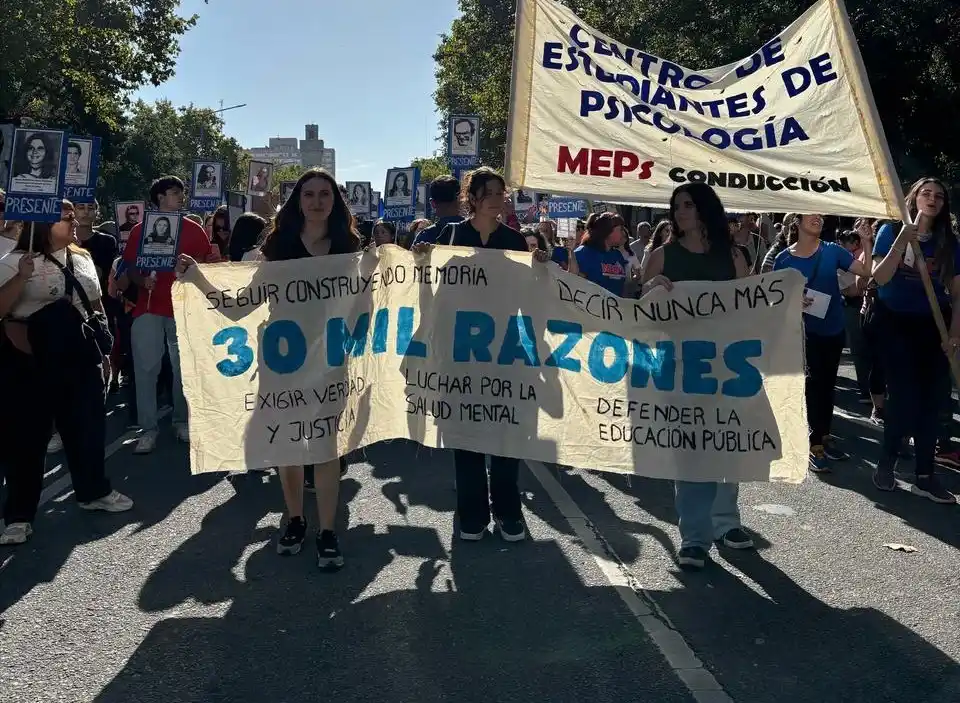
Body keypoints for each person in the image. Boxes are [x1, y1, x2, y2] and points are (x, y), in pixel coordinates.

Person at [178, 167, 358, 568]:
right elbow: (240, 306)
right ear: (298, 202)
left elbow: (374, 301)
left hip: (330, 360)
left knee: (328, 445)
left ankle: (327, 531)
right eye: (308, 194)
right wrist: (198, 279)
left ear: (335, 201)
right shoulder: (277, 251)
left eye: (324, 194)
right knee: (289, 444)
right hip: (283, 360)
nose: (316, 202)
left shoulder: (350, 250)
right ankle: (295, 519)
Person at [425, 167, 549, 543]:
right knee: (465, 434)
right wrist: (419, 259)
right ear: (473, 197)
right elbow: (434, 287)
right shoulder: (451, 236)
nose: (498, 198)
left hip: (503, 351)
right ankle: (472, 513)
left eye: (501, 192)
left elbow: (526, 294)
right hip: (461, 351)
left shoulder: (513, 240)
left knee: (506, 432)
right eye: (490, 192)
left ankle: (509, 512)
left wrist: (539, 269)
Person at [0, 202, 133, 545]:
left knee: (87, 427)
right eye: (67, 217)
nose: (76, 221)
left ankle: (93, 492)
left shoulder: (84, 257)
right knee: (27, 439)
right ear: (43, 222)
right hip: (30, 360)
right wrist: (21, 278)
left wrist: (105, 354)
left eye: (75, 216)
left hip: (79, 356)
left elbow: (95, 303)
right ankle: (18, 515)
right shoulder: (15, 261)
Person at [642, 183, 751, 570]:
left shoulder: (733, 256)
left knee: (725, 440)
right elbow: (640, 315)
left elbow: (748, 307)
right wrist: (651, 289)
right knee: (691, 448)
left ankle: (727, 524)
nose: (680, 212)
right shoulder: (660, 256)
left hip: (725, 366)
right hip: (681, 369)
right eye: (676, 206)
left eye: (688, 205)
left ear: (706, 209)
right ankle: (693, 536)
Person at [870, 177, 960, 503]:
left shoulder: (948, 242)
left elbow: (958, 295)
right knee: (904, 397)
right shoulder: (892, 231)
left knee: (932, 401)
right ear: (914, 198)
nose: (932, 199)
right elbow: (878, 277)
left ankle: (925, 475)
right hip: (894, 322)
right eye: (926, 193)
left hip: (933, 325)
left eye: (939, 195)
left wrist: (953, 335)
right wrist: (901, 243)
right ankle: (886, 463)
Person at [121, 176, 219, 454]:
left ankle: (181, 421)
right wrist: (142, 282)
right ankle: (147, 429)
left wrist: (193, 268)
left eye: (181, 193)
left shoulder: (194, 229)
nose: (180, 197)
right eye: (175, 193)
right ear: (160, 197)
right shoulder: (141, 230)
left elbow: (209, 265)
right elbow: (129, 267)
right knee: (146, 369)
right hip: (149, 307)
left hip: (183, 308)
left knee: (183, 369)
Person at [773, 214, 872, 472]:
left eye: (819, 215)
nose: (817, 218)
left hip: (834, 329)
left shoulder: (833, 251)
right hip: (804, 331)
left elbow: (865, 271)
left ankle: (824, 437)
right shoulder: (784, 259)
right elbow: (776, 299)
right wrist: (793, 301)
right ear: (797, 222)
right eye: (811, 215)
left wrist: (867, 242)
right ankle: (812, 444)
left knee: (828, 386)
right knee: (812, 385)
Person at [571, 212, 636, 296]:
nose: (623, 233)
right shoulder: (582, 253)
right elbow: (573, 284)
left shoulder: (617, 255)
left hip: (615, 307)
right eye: (620, 229)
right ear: (608, 231)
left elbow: (622, 287)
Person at [411, 176, 463, 246]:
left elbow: (411, 256)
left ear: (432, 203)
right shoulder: (477, 231)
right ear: (460, 199)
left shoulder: (424, 237)